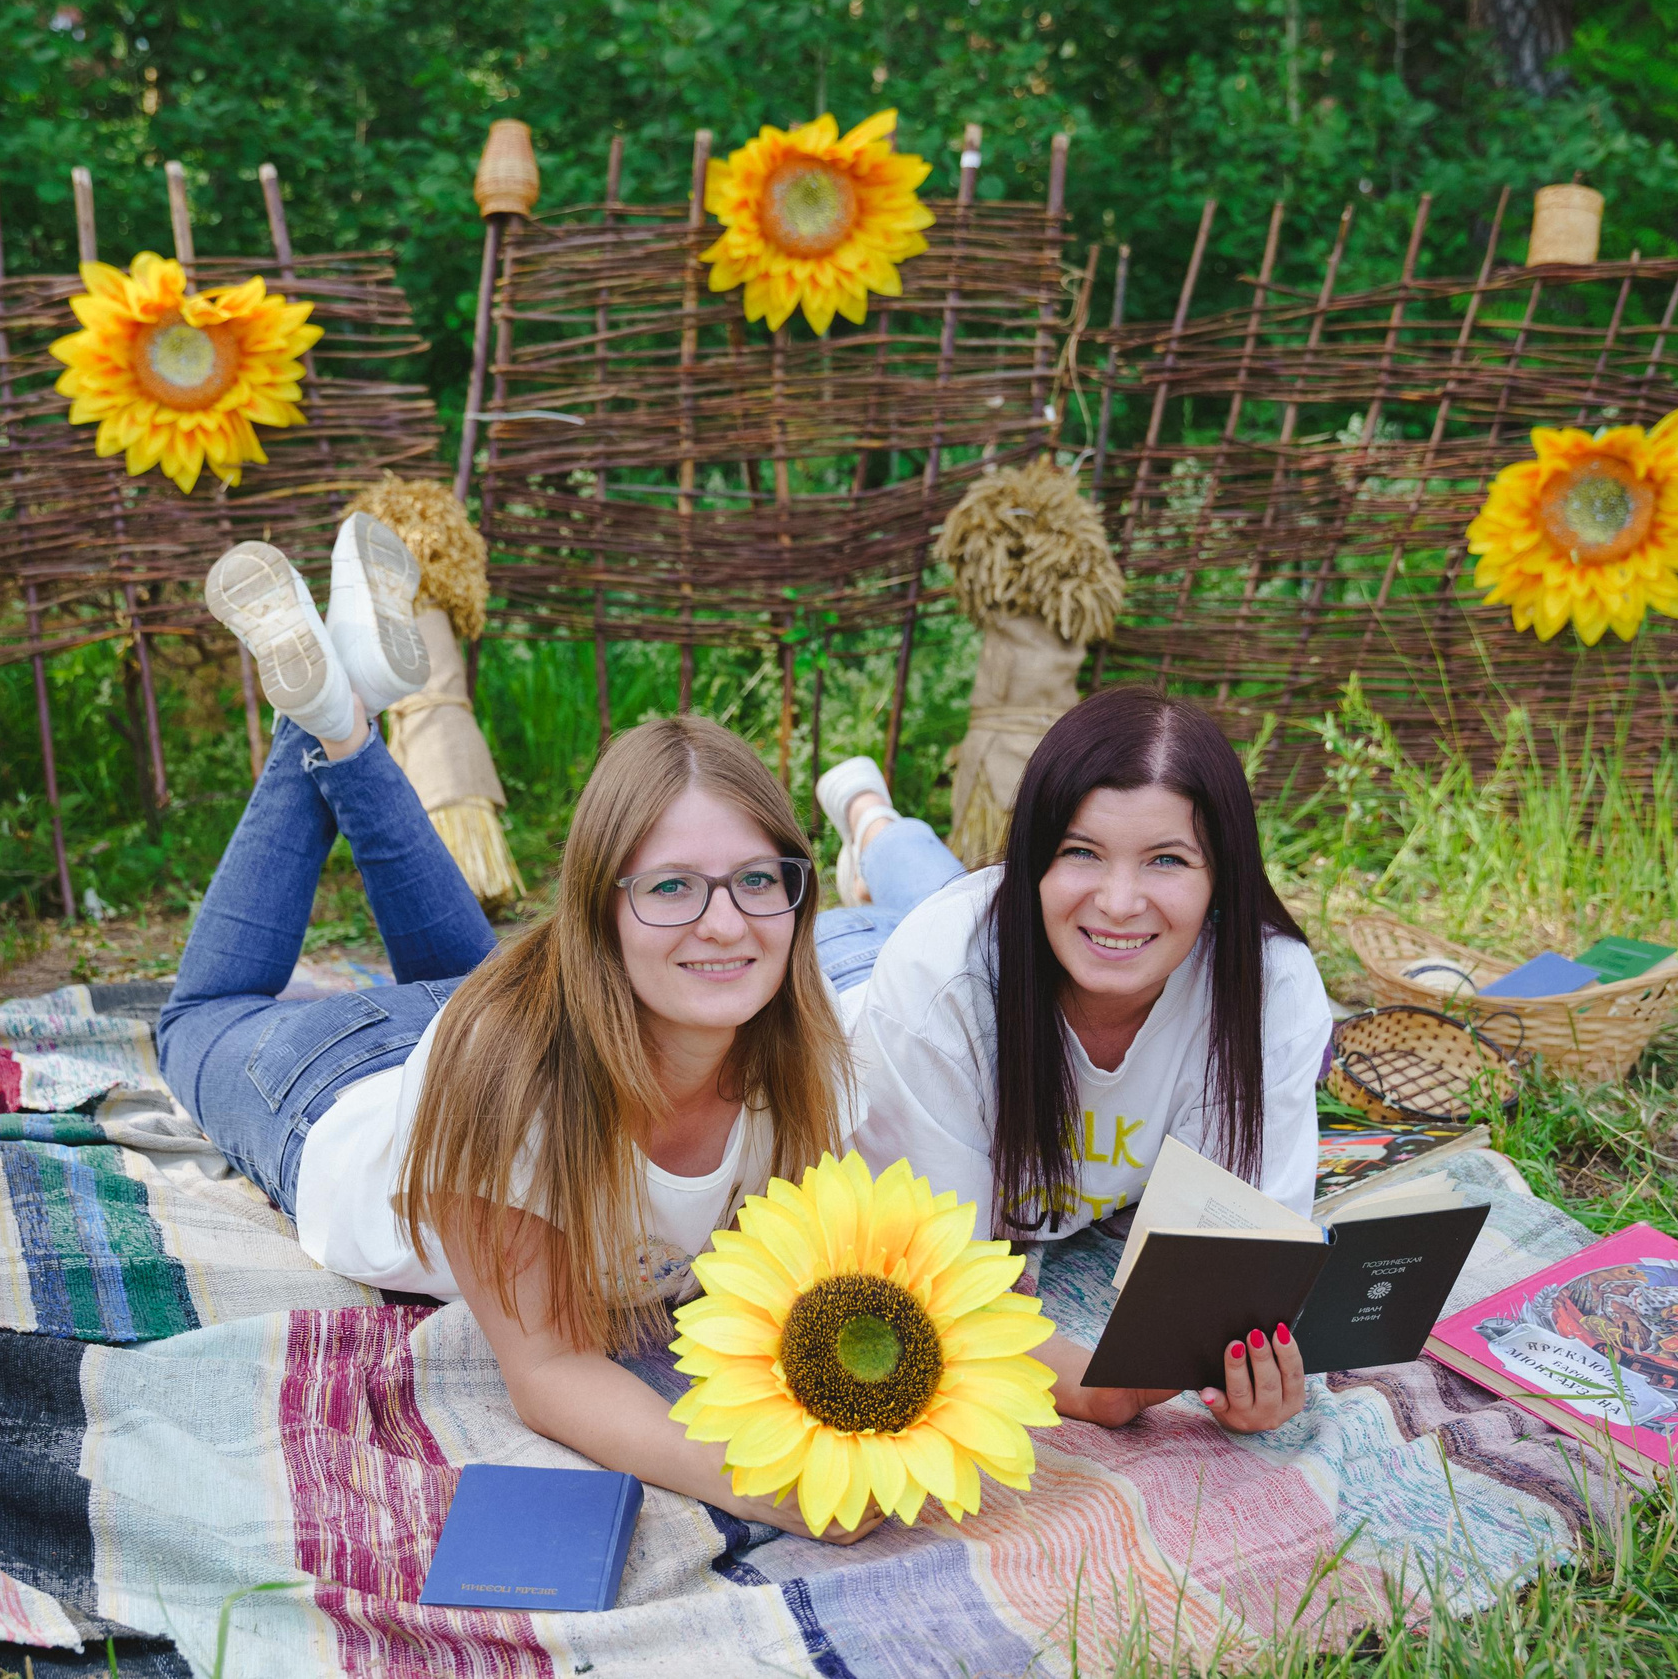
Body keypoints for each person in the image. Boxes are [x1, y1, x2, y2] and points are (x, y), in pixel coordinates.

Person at [158, 516, 881, 1541]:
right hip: (332, 1086)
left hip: (501, 1019)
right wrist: (761, 1483)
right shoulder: (506, 1071)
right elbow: (546, 1371)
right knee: (192, 1022)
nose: (726, 922)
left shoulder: (810, 1057)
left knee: (477, 982)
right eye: (672, 886)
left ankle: (344, 712)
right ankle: (312, 720)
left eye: (757, 880)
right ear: (599, 908)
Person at [836, 687, 1329, 1435]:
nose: (1122, 899)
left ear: (1222, 877)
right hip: (849, 973)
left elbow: (1247, 1262)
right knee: (928, 910)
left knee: (958, 893)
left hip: (1016, 933)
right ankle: (867, 813)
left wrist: (1247, 1375)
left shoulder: (1267, 989)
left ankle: (878, 829)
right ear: (1035, 858)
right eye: (1079, 850)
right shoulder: (935, 984)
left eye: (1167, 858)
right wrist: (1097, 1390)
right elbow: (929, 1291)